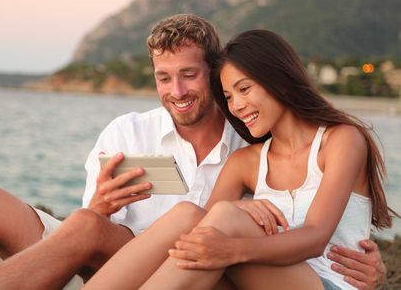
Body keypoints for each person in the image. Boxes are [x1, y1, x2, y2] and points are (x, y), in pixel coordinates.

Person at [0, 15, 386, 290]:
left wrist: (374, 263)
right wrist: (98, 208)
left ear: (211, 76)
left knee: (186, 216)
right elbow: (87, 226)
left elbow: (319, 223)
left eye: (190, 76)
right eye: (163, 77)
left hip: (203, 270)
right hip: (113, 263)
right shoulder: (127, 132)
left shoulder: (251, 139)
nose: (176, 90)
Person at [83, 29, 397, 290]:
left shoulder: (341, 139)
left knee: (222, 222)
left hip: (328, 283)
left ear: (280, 80)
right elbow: (195, 231)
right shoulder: (247, 161)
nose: (237, 106)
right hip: (259, 278)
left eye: (244, 89)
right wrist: (235, 216)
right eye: (229, 97)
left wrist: (230, 250)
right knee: (187, 215)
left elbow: (315, 238)